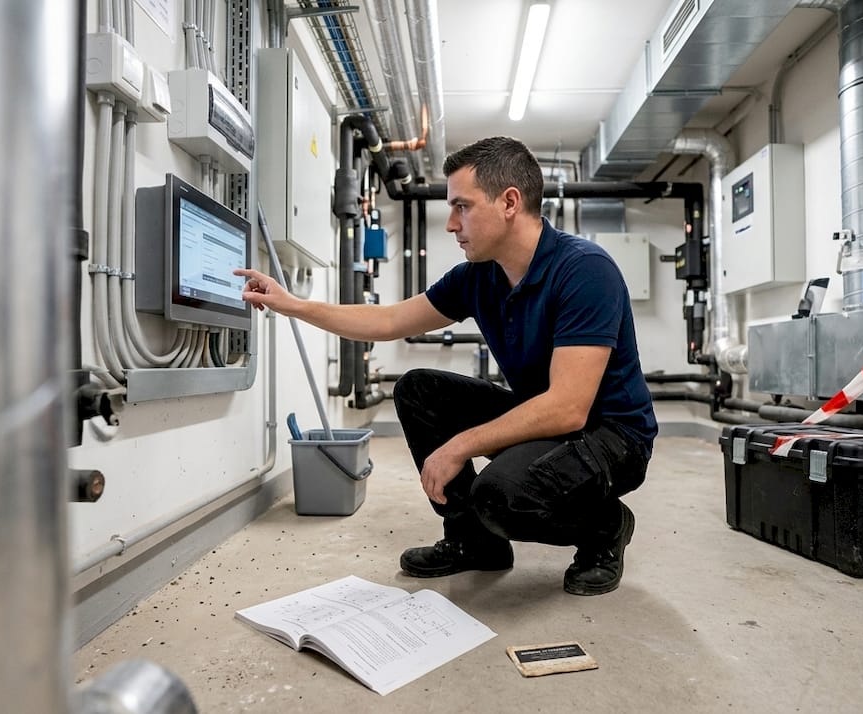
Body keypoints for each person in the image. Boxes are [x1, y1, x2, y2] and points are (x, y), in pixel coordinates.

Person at [234, 136, 656, 596]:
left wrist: (460, 446)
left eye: (462, 207)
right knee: (418, 391)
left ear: (510, 202)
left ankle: (605, 527)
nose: (452, 224)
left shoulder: (584, 270)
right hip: (549, 421)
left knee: (500, 498)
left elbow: (568, 408)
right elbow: (391, 319)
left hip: (614, 438)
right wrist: (294, 305)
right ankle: (475, 542)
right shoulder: (480, 276)